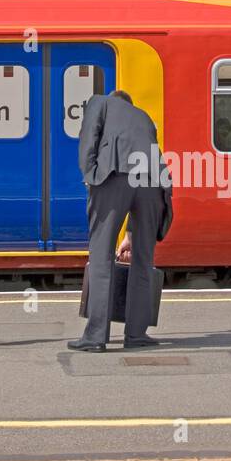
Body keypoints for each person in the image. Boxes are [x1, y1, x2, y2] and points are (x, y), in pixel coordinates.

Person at [70, 90, 174, 353]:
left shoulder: (99, 102)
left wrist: (89, 174)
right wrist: (129, 234)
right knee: (143, 260)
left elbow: (88, 137)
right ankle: (136, 334)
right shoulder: (145, 118)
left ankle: (95, 337)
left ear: (113, 99)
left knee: (101, 255)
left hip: (114, 175)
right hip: (153, 182)